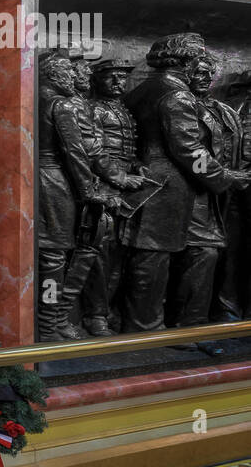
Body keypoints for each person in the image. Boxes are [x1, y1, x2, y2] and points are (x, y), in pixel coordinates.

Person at [119, 33, 251, 333]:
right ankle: (153, 331)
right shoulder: (176, 94)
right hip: (168, 189)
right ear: (184, 60)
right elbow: (190, 150)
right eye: (197, 59)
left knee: (172, 256)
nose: (202, 65)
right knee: (160, 260)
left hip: (158, 187)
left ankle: (159, 328)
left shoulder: (143, 89)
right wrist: (225, 177)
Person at [38, 50, 123, 340]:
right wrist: (91, 190)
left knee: (54, 255)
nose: (75, 78)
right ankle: (50, 324)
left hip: (40, 181)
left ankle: (56, 319)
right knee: (54, 258)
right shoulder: (60, 104)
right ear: (56, 74)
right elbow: (74, 152)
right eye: (70, 73)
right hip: (55, 183)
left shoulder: (35, 98)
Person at [168, 56, 243, 353]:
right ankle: (189, 326)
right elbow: (190, 153)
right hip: (196, 191)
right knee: (204, 253)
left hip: (224, 194)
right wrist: (222, 177)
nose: (205, 76)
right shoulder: (182, 106)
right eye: (198, 71)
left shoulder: (225, 110)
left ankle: (214, 317)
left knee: (222, 254)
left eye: (210, 72)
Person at [81, 57, 146, 336]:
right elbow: (95, 153)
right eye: (112, 77)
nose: (119, 82)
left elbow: (125, 150)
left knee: (120, 255)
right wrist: (120, 177)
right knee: (100, 254)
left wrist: (136, 166)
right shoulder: (93, 109)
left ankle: (109, 310)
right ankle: (95, 315)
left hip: (124, 188)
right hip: (103, 188)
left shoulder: (121, 109)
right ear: (97, 80)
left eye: (123, 77)